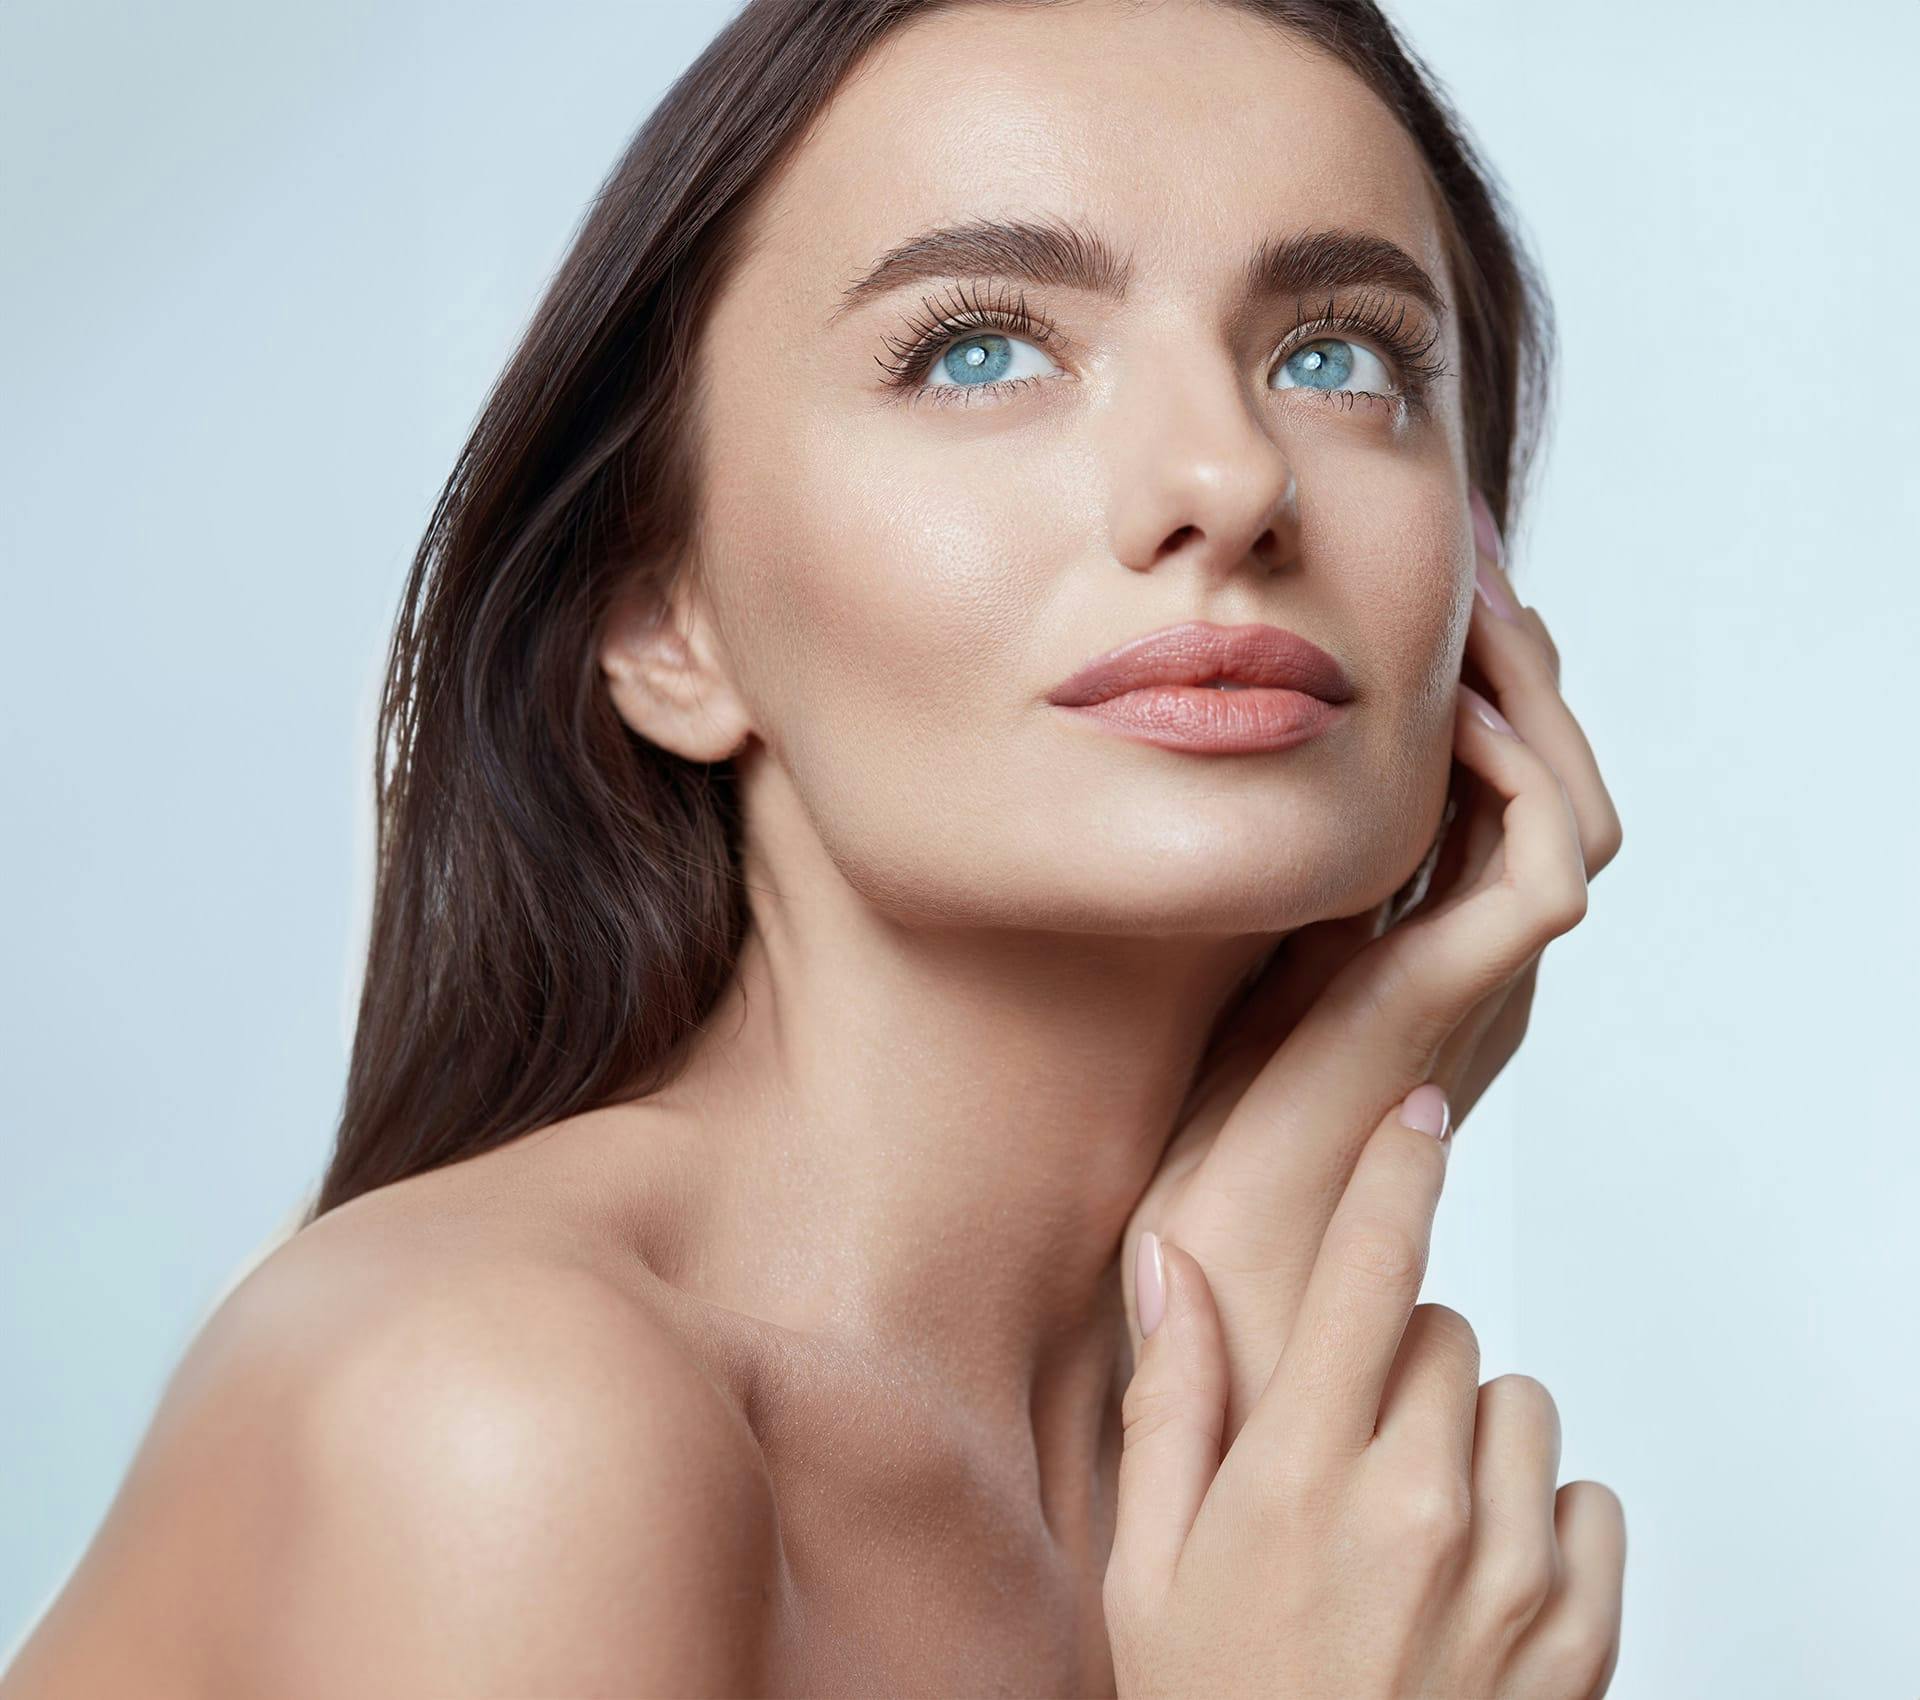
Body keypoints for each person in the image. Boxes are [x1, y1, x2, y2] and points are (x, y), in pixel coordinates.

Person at [2, 0, 1627, 1692]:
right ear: (664, 616)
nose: (1228, 474)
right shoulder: (503, 1408)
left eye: (1339, 355)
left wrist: (1311, 1168)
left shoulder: (1274, 1507)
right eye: (980, 350)